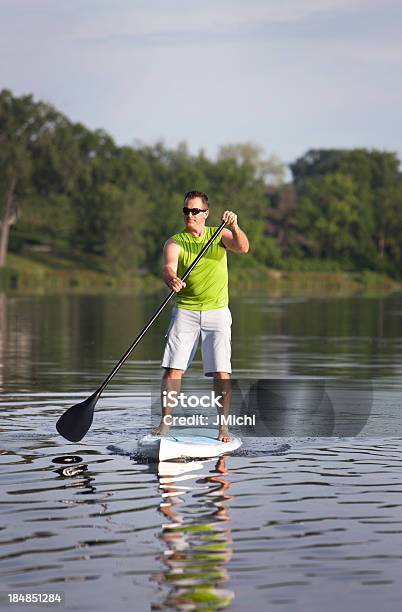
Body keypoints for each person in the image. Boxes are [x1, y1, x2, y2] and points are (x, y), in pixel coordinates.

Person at [155, 190, 249, 442]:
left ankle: (223, 429)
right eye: (186, 210)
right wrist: (171, 279)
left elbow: (243, 247)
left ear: (205, 214)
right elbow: (168, 267)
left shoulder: (219, 236)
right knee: (173, 370)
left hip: (217, 312)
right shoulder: (175, 242)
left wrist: (235, 226)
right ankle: (164, 426)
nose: (189, 215)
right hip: (185, 310)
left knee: (221, 372)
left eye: (195, 211)